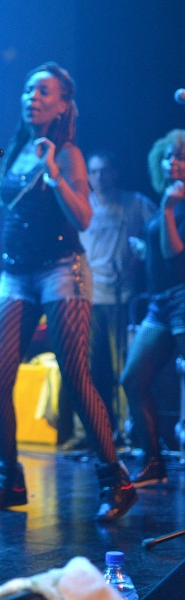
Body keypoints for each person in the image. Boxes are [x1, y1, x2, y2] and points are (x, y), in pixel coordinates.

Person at [0, 62, 137, 521]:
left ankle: (116, 481)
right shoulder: (17, 148)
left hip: (62, 269)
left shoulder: (67, 153)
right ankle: (10, 480)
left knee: (76, 376)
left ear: (63, 105)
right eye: (29, 90)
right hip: (15, 273)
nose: (33, 97)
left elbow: (84, 217)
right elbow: (4, 207)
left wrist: (54, 174)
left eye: (44, 92)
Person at [58, 151, 156, 447]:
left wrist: (141, 254)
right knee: (85, 368)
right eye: (94, 172)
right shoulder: (82, 203)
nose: (100, 177)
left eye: (105, 171)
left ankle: (129, 430)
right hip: (86, 295)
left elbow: (158, 231)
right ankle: (88, 432)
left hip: (121, 295)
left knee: (122, 368)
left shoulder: (134, 203)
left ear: (115, 172)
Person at [121, 130, 185, 486]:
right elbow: (162, 251)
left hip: (182, 299)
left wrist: (170, 209)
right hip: (161, 304)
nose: (172, 162)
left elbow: (176, 255)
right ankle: (153, 461)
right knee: (133, 378)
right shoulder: (168, 198)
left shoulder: (175, 202)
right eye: (168, 156)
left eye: (180, 157)